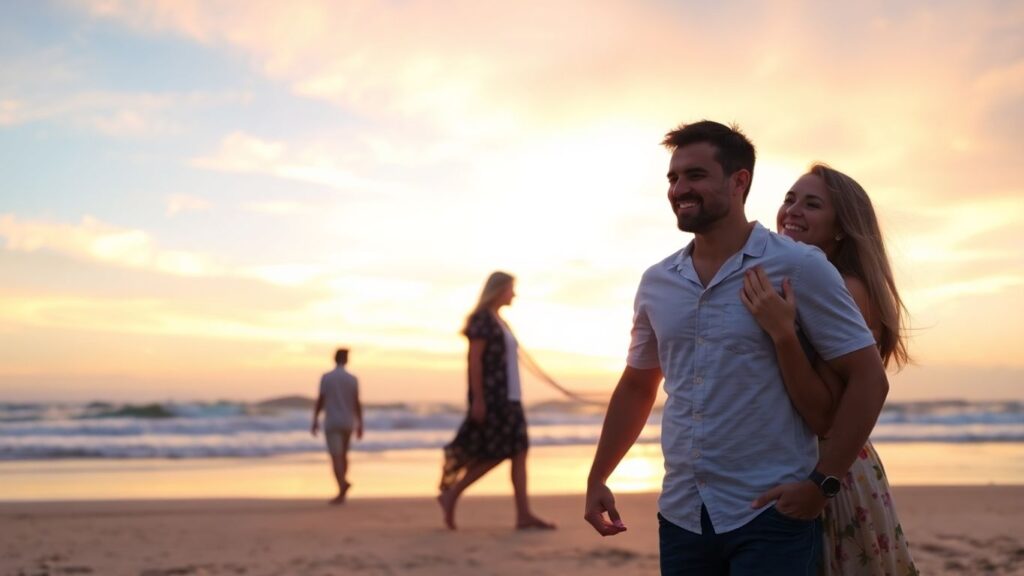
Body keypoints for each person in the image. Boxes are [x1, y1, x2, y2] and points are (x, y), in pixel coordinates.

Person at [584, 120, 890, 576]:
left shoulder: (800, 266)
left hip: (770, 512)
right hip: (683, 512)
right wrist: (598, 475)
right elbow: (636, 386)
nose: (679, 189)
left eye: (695, 176)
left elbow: (868, 379)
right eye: (673, 178)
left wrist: (822, 482)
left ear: (739, 181)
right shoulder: (657, 282)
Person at [739, 164, 917, 575]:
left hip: (829, 472)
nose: (792, 211)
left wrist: (783, 333)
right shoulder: (804, 278)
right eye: (789, 199)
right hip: (812, 463)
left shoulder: (847, 288)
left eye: (812, 204)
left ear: (842, 228)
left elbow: (823, 415)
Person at [438, 271, 555, 531]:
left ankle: (523, 514)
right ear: (499, 290)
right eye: (511, 289)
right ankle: (452, 494)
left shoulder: (499, 320)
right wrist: (478, 399)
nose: (514, 294)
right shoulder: (482, 320)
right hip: (494, 397)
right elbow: (474, 361)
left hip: (511, 397)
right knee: (500, 451)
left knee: (520, 452)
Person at [310, 347, 363, 505]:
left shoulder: (327, 377)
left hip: (332, 421)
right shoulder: (352, 379)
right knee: (344, 456)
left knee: (335, 457)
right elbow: (356, 402)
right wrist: (360, 423)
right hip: (348, 421)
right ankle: (342, 488)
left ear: (334, 358)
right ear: (346, 360)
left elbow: (321, 399)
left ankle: (342, 485)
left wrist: (315, 419)